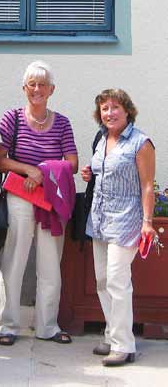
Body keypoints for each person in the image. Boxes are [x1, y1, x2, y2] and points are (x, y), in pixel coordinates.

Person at [0, 61, 78, 346]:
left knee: (50, 263)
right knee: (14, 260)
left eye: (42, 84)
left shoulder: (62, 122)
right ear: (24, 88)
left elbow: (73, 163)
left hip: (51, 200)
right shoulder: (12, 118)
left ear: (51, 90)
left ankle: (48, 326)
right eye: (32, 83)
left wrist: (42, 171)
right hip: (20, 195)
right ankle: (7, 325)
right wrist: (28, 171)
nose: (37, 89)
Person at [81, 89, 156, 366]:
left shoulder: (140, 142)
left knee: (117, 281)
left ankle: (124, 345)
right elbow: (103, 172)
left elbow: (148, 185)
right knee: (102, 280)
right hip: (99, 217)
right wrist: (90, 172)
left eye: (115, 107)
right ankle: (112, 334)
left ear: (127, 111)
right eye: (104, 108)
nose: (109, 113)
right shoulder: (102, 139)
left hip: (126, 219)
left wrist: (147, 223)